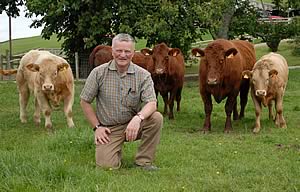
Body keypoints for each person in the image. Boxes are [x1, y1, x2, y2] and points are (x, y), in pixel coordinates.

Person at [80, 33, 163, 171]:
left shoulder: (143, 75)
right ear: (112, 52)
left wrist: (138, 118)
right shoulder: (98, 73)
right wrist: (97, 127)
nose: (122, 55)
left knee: (156, 118)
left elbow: (152, 103)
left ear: (133, 53)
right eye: (119, 51)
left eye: (127, 51)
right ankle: (113, 150)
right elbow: (85, 101)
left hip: (133, 124)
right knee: (107, 167)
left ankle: (144, 162)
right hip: (109, 129)